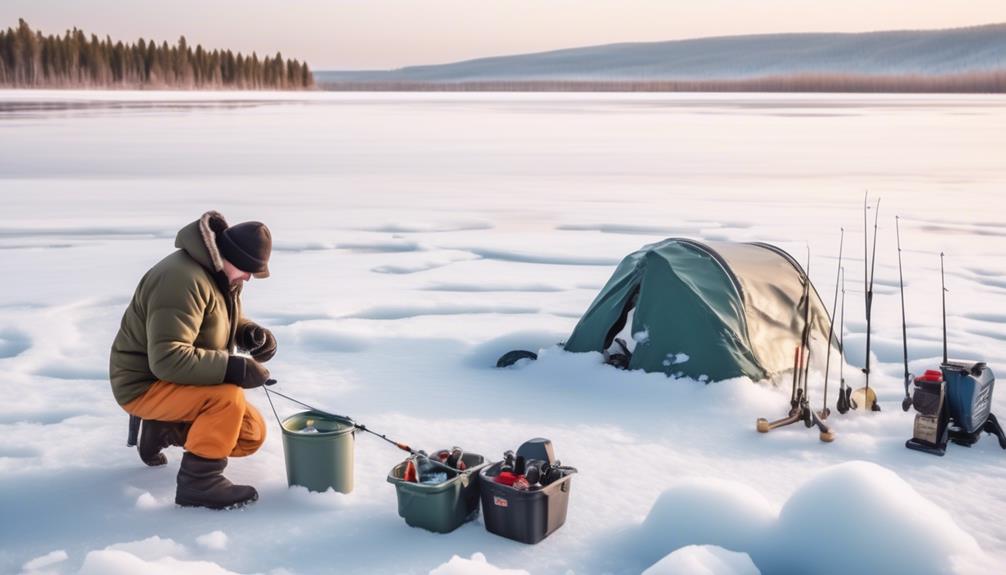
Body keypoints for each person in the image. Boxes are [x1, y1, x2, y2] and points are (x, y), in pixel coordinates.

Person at [109, 210, 277, 509]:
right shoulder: (180, 279)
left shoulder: (219, 273)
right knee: (227, 399)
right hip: (145, 384)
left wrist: (248, 333)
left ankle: (165, 428)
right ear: (228, 255)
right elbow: (168, 359)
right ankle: (200, 485)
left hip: (178, 381)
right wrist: (233, 367)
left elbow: (215, 319)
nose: (249, 277)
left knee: (251, 433)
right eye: (247, 269)